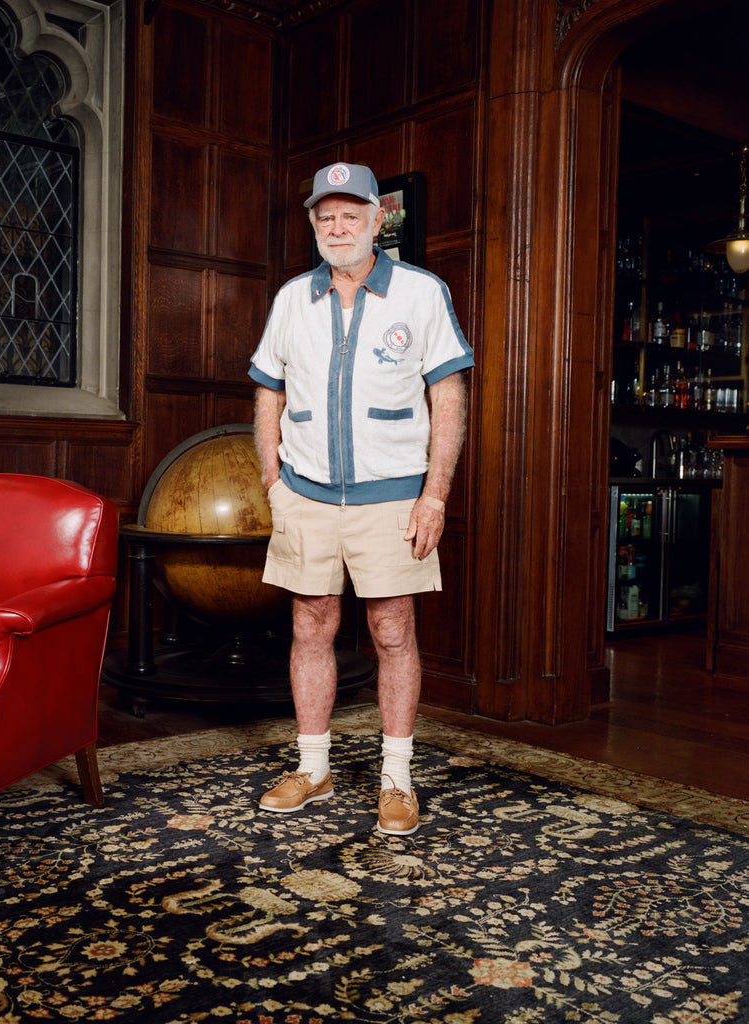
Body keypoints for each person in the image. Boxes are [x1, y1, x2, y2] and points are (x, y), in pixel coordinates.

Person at [248, 163, 474, 836]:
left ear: (379, 221)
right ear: (313, 225)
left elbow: (448, 396)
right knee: (310, 626)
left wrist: (434, 496)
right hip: (307, 496)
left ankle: (396, 780)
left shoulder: (421, 293)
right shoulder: (293, 298)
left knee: (392, 631)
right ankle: (313, 769)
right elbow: (268, 390)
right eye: (326, 217)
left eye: (352, 215)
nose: (338, 227)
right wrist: (272, 479)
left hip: (394, 498)